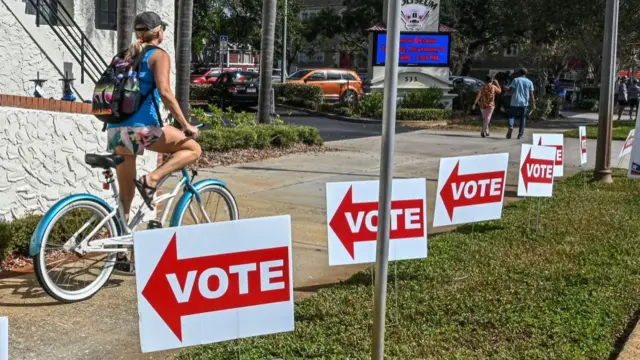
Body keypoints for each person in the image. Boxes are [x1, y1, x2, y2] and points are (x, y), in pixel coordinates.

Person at [107, 12, 201, 271]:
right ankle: (151, 180)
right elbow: (165, 92)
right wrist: (185, 125)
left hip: (115, 132)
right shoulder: (158, 55)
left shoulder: (125, 54)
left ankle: (118, 256)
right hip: (141, 130)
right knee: (193, 147)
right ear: (159, 33)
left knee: (125, 197)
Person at [505, 68, 536, 139]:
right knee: (523, 118)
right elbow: (531, 94)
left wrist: (507, 93)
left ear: (519, 73)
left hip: (515, 102)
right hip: (524, 103)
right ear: (525, 74)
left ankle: (510, 126)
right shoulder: (529, 82)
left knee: (511, 116)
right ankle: (520, 135)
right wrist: (533, 104)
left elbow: (512, 91)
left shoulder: (516, 80)